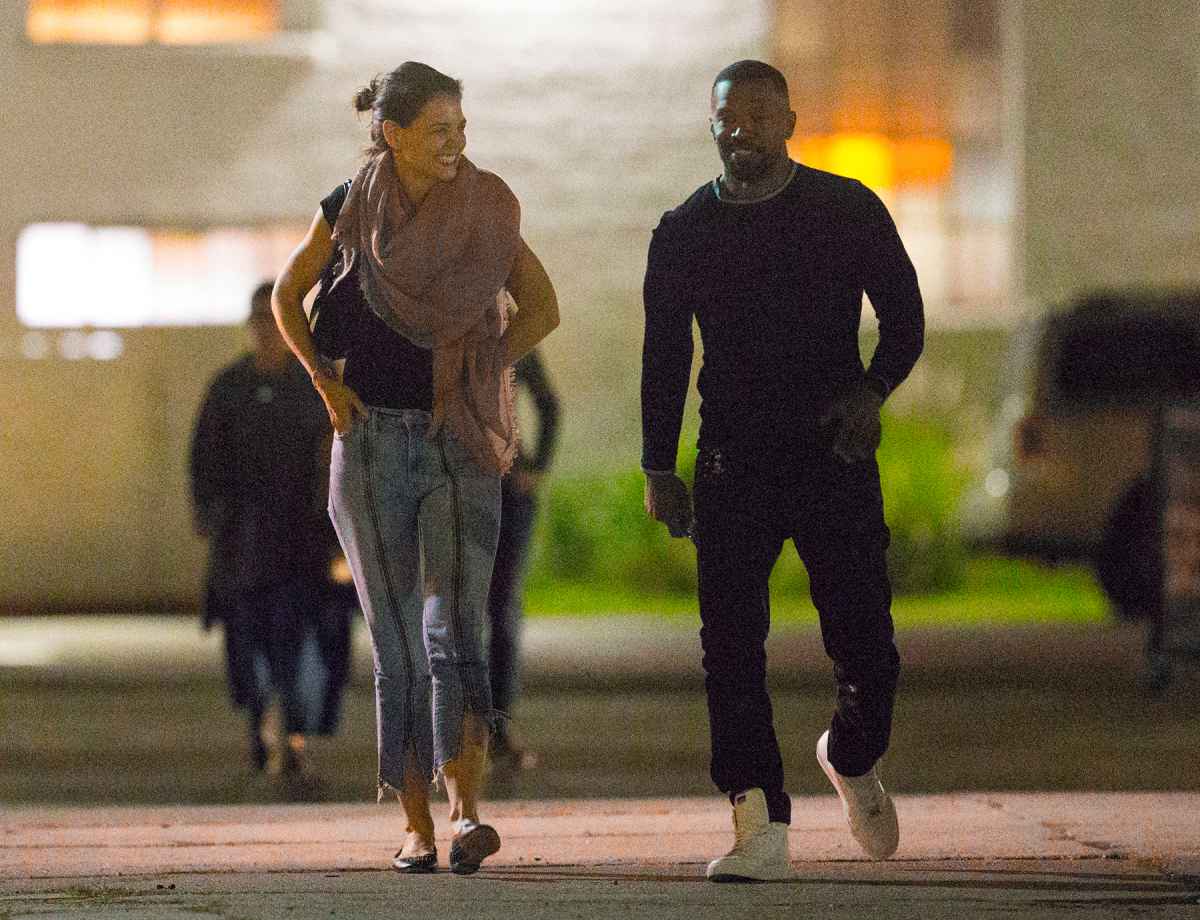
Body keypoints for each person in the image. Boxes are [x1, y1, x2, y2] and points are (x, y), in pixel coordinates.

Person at [271, 62, 559, 875]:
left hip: (460, 443)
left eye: (461, 128)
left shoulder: (484, 209)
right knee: (398, 643)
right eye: (439, 130)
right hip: (370, 446)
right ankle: (415, 826)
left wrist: (483, 367)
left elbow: (543, 307)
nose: (456, 143)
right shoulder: (348, 207)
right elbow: (286, 297)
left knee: (458, 630)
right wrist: (323, 381)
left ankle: (468, 814)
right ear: (393, 135)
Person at [640, 60, 924, 882]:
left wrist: (873, 391)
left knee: (867, 646)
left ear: (791, 123)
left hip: (833, 453)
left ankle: (852, 755)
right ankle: (757, 819)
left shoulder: (845, 209)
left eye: (760, 116)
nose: (742, 131)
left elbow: (905, 318)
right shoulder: (684, 230)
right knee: (729, 648)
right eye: (728, 117)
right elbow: (665, 355)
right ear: (711, 125)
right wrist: (659, 465)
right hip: (733, 459)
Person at [190, 281, 352, 783]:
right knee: (249, 643)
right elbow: (203, 460)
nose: (267, 330)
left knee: (301, 643)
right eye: (260, 319)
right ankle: (260, 722)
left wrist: (339, 536)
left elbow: (337, 458)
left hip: (303, 543)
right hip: (244, 544)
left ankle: (295, 737)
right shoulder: (228, 388)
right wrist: (210, 515)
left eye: (275, 320)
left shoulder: (313, 388)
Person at [486, 348, 559, 776]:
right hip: (470, 482)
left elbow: (549, 404)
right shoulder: (450, 327)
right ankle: (472, 730)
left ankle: (497, 726)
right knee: (472, 610)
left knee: (501, 608)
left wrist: (536, 467)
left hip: (506, 486)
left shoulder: (511, 337)